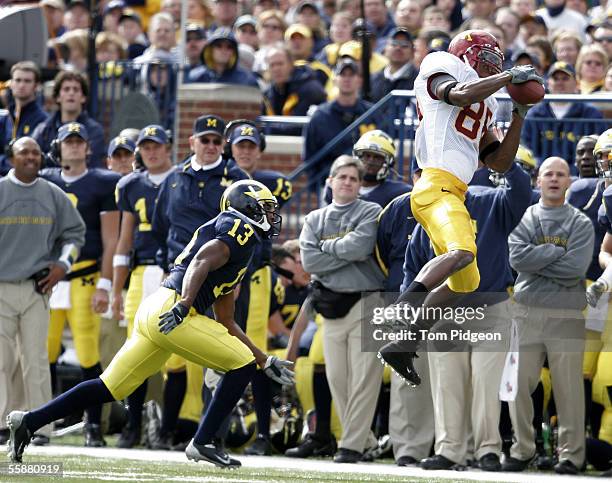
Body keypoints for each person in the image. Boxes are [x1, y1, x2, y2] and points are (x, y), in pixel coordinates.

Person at [7, 180, 295, 468]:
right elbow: (200, 261)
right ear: (246, 208)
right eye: (266, 208)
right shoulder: (239, 228)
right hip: (176, 311)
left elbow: (227, 321)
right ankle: (204, 441)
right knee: (240, 364)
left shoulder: (242, 246)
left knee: (110, 387)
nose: (272, 216)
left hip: (157, 309)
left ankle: (29, 421)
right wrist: (184, 304)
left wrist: (264, 359)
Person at [377, 29, 542, 386]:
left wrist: (520, 114)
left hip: (456, 191)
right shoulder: (441, 63)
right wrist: (507, 77)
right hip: (434, 184)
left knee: (467, 282)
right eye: (486, 56)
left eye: (497, 60)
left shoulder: (491, 103)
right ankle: (402, 306)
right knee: (464, 252)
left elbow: (497, 162)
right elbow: (458, 94)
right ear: (466, 54)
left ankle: (403, 345)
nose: (492, 64)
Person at [408, 161, 532, 471]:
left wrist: (503, 159)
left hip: (490, 307)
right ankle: (449, 449)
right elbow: (415, 265)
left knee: (485, 383)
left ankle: (487, 449)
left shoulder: (489, 199)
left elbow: (520, 194)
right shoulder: (428, 212)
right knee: (447, 383)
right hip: (446, 313)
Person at [506, 156, 594, 475]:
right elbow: (516, 257)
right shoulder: (527, 217)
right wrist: (557, 252)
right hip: (527, 312)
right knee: (516, 384)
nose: (554, 179)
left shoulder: (581, 223)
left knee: (568, 389)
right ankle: (523, 449)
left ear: (568, 181)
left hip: (566, 314)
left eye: (560, 174)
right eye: (548, 174)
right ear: (538, 181)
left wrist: (538, 258)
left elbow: (575, 268)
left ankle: (571, 456)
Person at [300, 155, 385, 463]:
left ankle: (350, 446)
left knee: (364, 379)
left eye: (353, 178)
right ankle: (367, 441)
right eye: (343, 177)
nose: (348, 182)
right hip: (331, 306)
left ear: (360, 185)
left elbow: (360, 248)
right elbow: (310, 263)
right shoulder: (313, 219)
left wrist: (327, 248)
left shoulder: (370, 210)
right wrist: (342, 252)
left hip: (367, 302)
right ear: (330, 182)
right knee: (339, 380)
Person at [0, 137, 85, 447]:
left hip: (38, 288)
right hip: (1, 287)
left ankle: (39, 426)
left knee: (36, 358)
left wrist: (63, 265)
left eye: (36, 152)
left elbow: (76, 234)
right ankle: (3, 423)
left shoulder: (53, 194)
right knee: (2, 359)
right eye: (25, 152)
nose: (32, 157)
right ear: (11, 158)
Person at [40, 122, 121, 446]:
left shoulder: (102, 182)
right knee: (41, 353)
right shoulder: (45, 179)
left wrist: (104, 282)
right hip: (47, 278)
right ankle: (40, 422)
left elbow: (110, 239)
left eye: (79, 141)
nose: (73, 146)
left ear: (88, 147)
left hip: (84, 276)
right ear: (58, 147)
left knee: (88, 353)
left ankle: (92, 425)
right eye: (68, 141)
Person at [111, 125, 175, 448]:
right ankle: (133, 426)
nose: (151, 152)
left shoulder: (183, 179)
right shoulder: (130, 185)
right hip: (142, 272)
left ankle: (170, 430)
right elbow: (124, 240)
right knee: (134, 352)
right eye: (145, 147)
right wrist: (115, 290)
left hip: (176, 271)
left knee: (177, 355)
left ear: (169, 148)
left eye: (157, 146)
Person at [302, 58, 382, 191]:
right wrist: (318, 185)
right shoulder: (320, 115)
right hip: (330, 184)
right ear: (334, 80)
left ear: (360, 81)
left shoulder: (372, 113)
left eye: (352, 75)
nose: (347, 79)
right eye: (342, 74)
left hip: (367, 184)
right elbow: (309, 155)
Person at [522, 61, 606, 170]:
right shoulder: (534, 114)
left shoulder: (591, 114)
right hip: (542, 175)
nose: (560, 82)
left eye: (565, 78)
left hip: (580, 176)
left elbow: (599, 147)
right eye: (555, 78)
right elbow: (527, 149)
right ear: (547, 82)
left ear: (576, 83)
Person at [32, 71, 106, 168]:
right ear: (58, 97)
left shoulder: (94, 130)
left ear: (83, 97)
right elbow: (35, 160)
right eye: (66, 89)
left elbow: (90, 162)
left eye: (76, 90)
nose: (71, 93)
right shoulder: (43, 129)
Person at [0, 62, 48, 175]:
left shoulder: (43, 120)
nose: (21, 85)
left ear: (36, 86)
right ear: (11, 84)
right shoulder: (6, 117)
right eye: (17, 80)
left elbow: (30, 160)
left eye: (27, 81)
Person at [187, 28, 259, 87]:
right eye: (219, 46)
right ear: (210, 50)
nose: (224, 50)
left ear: (234, 52)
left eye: (229, 47)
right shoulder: (196, 77)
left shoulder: (247, 80)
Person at [370, 28, 418, 103]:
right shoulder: (373, 79)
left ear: (413, 52)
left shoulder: (419, 80)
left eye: (404, 45)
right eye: (394, 44)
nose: (398, 48)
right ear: (385, 48)